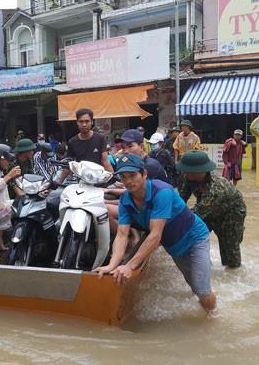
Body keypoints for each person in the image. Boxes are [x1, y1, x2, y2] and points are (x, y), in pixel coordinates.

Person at [94, 154, 218, 317]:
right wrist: (112, 264)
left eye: (133, 175)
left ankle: (215, 316)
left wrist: (129, 266)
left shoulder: (162, 192)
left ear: (144, 174)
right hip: (174, 246)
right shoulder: (125, 200)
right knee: (194, 286)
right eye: (124, 177)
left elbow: (155, 236)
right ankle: (207, 299)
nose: (128, 181)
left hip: (196, 239)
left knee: (201, 289)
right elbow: (122, 235)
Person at [178, 151, 246, 268]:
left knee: (229, 250)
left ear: (198, 171)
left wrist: (172, 222)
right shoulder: (189, 177)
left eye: (186, 170)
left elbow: (196, 213)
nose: (184, 172)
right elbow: (181, 199)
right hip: (206, 207)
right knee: (194, 236)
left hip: (231, 214)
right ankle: (202, 264)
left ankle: (232, 275)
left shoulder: (216, 188)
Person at [105, 129, 168, 236]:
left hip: (152, 213)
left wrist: (105, 198)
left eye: (130, 146)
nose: (126, 151)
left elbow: (133, 196)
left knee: (104, 210)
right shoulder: (136, 164)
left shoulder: (149, 166)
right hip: (144, 206)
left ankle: (132, 238)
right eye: (124, 147)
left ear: (142, 146)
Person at [58, 108, 113, 183]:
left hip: (99, 181)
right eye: (81, 121)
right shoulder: (72, 142)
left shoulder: (100, 138)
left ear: (92, 122)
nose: (84, 124)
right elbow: (68, 165)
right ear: (77, 122)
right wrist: (57, 183)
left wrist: (113, 180)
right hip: (81, 182)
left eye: (87, 121)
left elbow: (106, 162)